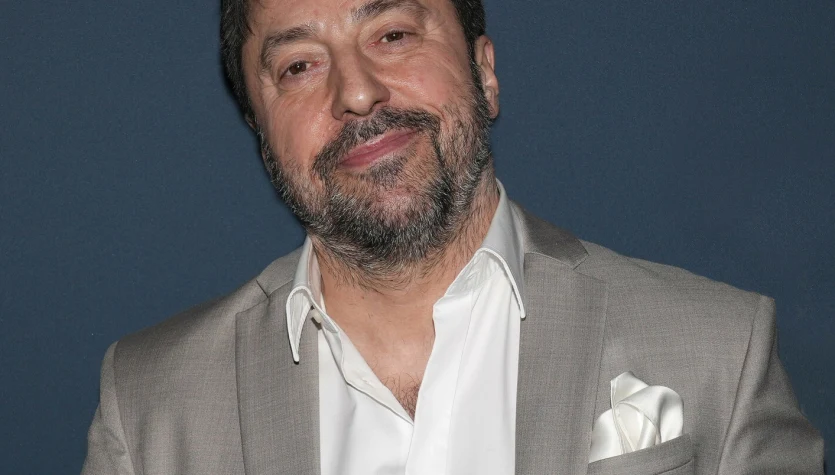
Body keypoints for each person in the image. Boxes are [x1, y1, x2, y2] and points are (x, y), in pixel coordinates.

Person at [82, 0, 824, 473]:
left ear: (484, 72)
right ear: (261, 129)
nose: (356, 92)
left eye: (393, 34)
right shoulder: (151, 408)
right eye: (299, 66)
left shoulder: (719, 352)